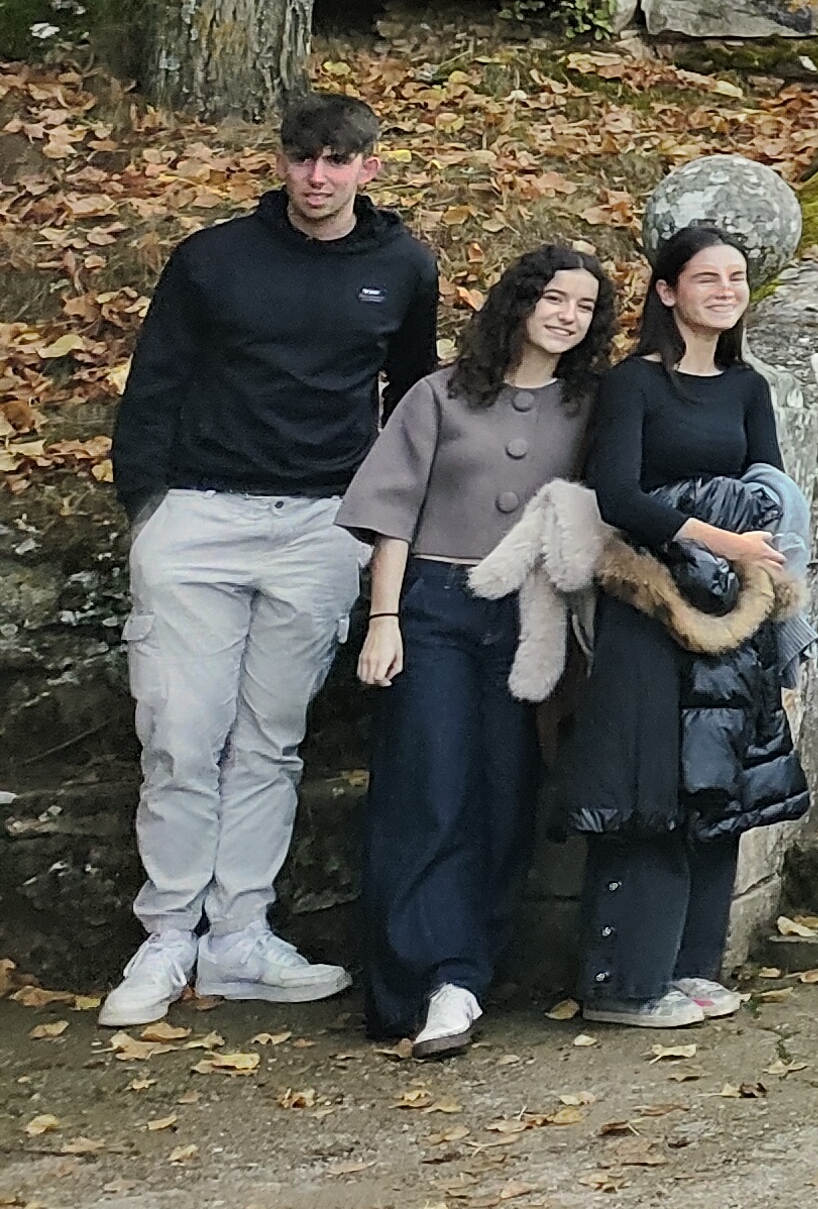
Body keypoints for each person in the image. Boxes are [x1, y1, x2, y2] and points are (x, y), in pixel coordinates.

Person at [102, 92, 442, 1028]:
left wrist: (377, 523)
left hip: (323, 526)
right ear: (283, 162)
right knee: (179, 732)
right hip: (200, 514)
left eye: (338, 160)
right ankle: (168, 934)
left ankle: (240, 934)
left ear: (371, 167)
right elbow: (154, 387)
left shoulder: (404, 265)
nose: (318, 177)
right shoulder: (212, 259)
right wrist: (150, 508)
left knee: (269, 739)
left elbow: (415, 400)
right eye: (303, 159)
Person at [340, 238, 607, 1055]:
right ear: (518, 303)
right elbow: (390, 514)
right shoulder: (438, 396)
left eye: (584, 306)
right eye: (553, 298)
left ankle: (463, 979)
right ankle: (413, 982)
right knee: (429, 788)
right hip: (434, 610)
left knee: (504, 792)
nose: (566, 316)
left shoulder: (593, 406)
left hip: (534, 620)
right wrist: (384, 621)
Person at [553, 226, 806, 1030]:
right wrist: (716, 535)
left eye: (736, 277)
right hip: (650, 604)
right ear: (668, 291)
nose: (725, 290)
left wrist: (755, 572)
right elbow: (617, 495)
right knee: (646, 781)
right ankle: (623, 981)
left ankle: (690, 966)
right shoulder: (636, 383)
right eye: (707, 278)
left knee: (713, 778)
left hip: (729, 613)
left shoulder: (746, 387)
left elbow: (768, 488)